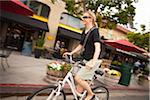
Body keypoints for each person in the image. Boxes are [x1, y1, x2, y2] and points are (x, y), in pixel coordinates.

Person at [63, 10, 101, 100]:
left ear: (91, 19)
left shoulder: (95, 31)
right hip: (85, 59)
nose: (82, 19)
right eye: (82, 17)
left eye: (85, 17)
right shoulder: (84, 31)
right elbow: (80, 45)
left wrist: (93, 62)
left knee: (78, 78)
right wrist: (71, 53)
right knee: (78, 90)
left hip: (92, 60)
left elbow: (98, 48)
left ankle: (91, 94)